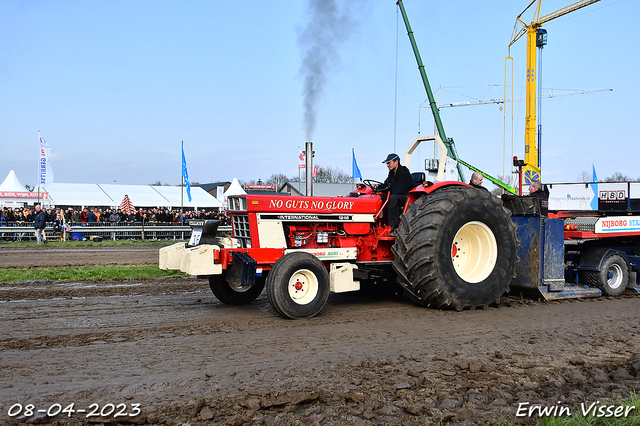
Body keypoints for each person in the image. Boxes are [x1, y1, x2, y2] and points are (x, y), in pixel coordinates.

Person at [378, 153, 415, 230]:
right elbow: (386, 185)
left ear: (396, 162)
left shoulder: (404, 172)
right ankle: (378, 223)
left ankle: (393, 226)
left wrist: (383, 209)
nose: (388, 165)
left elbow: (398, 190)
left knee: (393, 198)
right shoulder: (392, 173)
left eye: (389, 163)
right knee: (380, 197)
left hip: (406, 196)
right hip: (396, 194)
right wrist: (376, 187)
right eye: (387, 163)